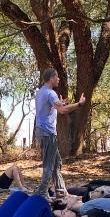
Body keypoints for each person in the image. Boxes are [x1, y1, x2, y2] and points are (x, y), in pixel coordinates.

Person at [35, 68, 86, 198]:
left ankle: (61, 191)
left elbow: (51, 107)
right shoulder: (51, 93)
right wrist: (79, 104)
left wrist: (60, 103)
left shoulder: (41, 92)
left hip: (42, 131)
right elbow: (63, 111)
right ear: (51, 78)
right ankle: (42, 192)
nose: (58, 79)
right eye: (57, 77)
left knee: (57, 163)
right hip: (47, 132)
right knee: (49, 164)